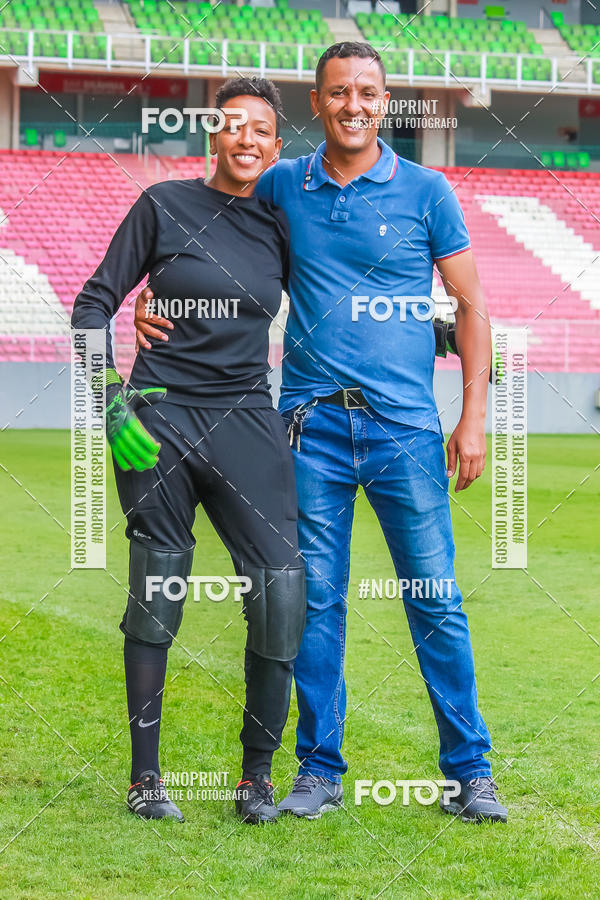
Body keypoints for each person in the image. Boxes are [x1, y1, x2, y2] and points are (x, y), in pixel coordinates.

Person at [136, 43, 508, 825]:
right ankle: (319, 770)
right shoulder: (282, 184)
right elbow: (204, 227)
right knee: (315, 604)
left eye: (367, 92)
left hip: (405, 429)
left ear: (385, 101)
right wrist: (152, 295)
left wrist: (473, 417)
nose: (353, 105)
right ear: (317, 103)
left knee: (435, 600)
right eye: (339, 92)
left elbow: (472, 306)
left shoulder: (428, 191)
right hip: (309, 429)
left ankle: (470, 772)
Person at [71, 77, 306, 825]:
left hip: (247, 419)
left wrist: (434, 329)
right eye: (232, 125)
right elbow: (92, 304)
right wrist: (111, 403)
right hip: (159, 417)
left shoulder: (282, 224)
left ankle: (256, 778)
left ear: (276, 146)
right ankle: (146, 781)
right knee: (158, 590)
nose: (246, 139)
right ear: (213, 135)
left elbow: (332, 302)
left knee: (280, 590)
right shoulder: (162, 204)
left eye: (260, 130)